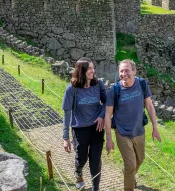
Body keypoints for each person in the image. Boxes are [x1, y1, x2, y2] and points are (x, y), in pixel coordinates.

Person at [105, 60, 161, 191]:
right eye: (121, 71)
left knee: (140, 160)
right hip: (122, 132)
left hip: (139, 131)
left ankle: (128, 173)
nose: (124, 73)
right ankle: (129, 182)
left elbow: (149, 105)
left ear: (134, 71)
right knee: (130, 164)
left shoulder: (141, 84)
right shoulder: (115, 89)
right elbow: (108, 114)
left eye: (127, 70)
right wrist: (109, 139)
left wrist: (155, 128)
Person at [62, 58, 107, 191]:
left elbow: (106, 103)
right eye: (89, 69)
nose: (92, 71)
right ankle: (79, 173)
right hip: (79, 128)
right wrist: (65, 138)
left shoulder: (98, 84)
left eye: (93, 68)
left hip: (97, 128)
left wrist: (101, 116)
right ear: (81, 71)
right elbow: (67, 112)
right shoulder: (72, 89)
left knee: (95, 159)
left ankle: (95, 188)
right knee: (82, 158)